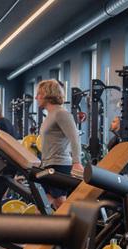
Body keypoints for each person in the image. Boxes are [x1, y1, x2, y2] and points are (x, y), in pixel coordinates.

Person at [36, 79, 83, 209]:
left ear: (47, 94)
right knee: (60, 204)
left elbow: (75, 138)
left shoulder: (61, 114)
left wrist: (77, 162)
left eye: (39, 94)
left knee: (44, 204)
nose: (36, 97)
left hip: (59, 166)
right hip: (48, 164)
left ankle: (29, 228)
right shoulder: (50, 115)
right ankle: (74, 228)